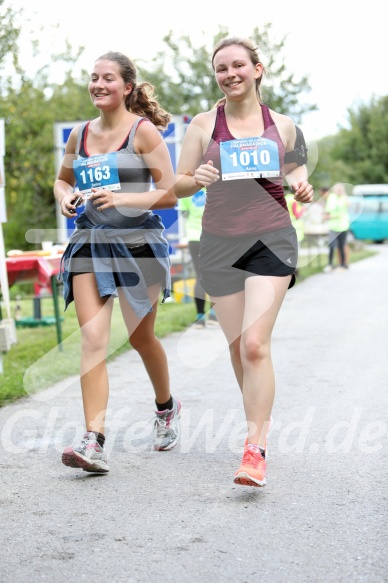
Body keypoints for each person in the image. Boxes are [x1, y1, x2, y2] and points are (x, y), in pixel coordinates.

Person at [174, 37, 313, 487]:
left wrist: (300, 185)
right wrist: (197, 179)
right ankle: (256, 424)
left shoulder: (284, 124)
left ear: (258, 69)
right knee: (237, 347)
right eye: (221, 68)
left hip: (271, 237)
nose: (230, 74)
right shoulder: (202, 124)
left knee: (254, 343)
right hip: (218, 242)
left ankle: (255, 449)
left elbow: (295, 166)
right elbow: (178, 183)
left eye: (238, 65)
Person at [54, 51, 181, 474]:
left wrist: (124, 197)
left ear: (127, 87)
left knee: (141, 338)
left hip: (137, 242)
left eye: (108, 78)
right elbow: (62, 179)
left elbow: (171, 192)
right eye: (93, 77)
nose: (98, 84)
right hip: (90, 241)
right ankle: (95, 441)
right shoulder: (80, 135)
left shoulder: (142, 133)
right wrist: (65, 197)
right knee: (93, 341)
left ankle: (165, 407)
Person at [179, 187, 218, 328]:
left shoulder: (187, 189)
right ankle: (214, 314)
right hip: (213, 236)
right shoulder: (215, 185)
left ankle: (200, 318)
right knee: (216, 274)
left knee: (199, 276)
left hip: (194, 237)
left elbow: (185, 215)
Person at [324, 182, 350, 272]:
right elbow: (328, 210)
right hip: (332, 226)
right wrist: (327, 216)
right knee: (331, 246)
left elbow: (343, 210)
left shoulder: (344, 198)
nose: (338, 191)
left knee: (341, 246)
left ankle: (342, 265)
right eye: (337, 189)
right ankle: (330, 265)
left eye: (340, 189)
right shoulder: (331, 197)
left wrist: (330, 216)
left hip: (343, 226)